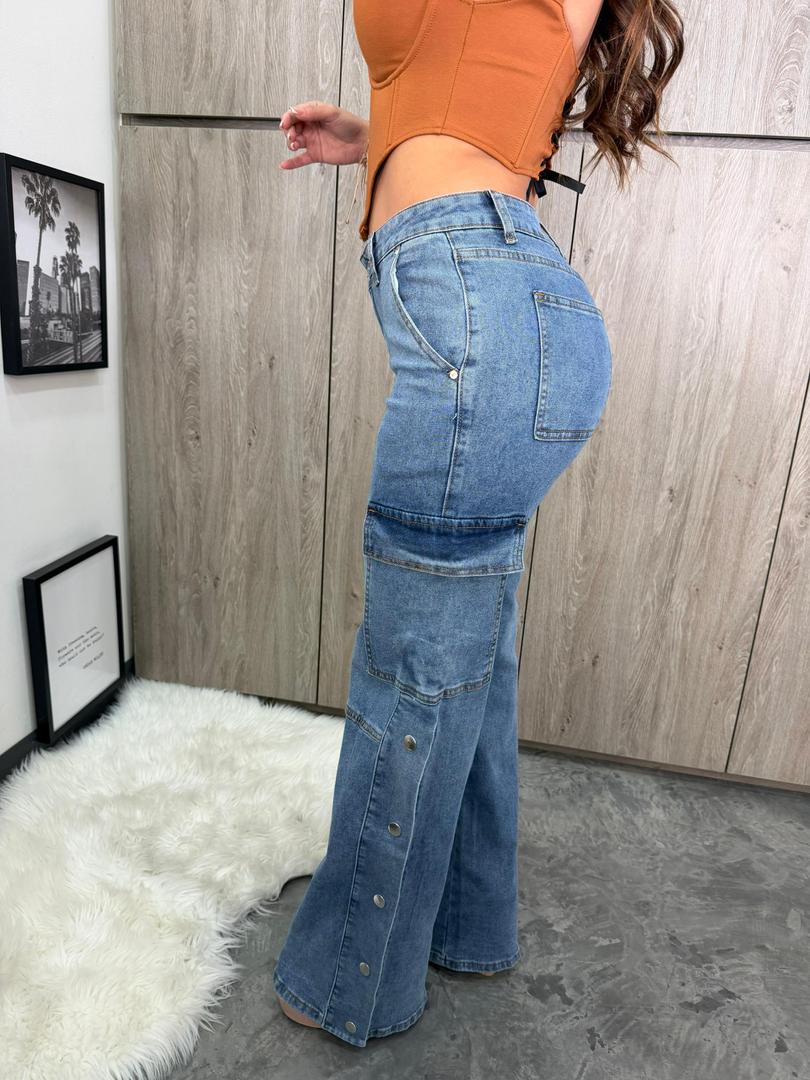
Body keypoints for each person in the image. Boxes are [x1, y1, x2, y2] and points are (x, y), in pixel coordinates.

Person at [273, 0, 684, 1048]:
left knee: (414, 664)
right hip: (500, 306)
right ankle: (467, 923)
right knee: (468, 657)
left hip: (479, 313)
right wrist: (370, 137)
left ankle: (350, 978)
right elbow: (479, 93)